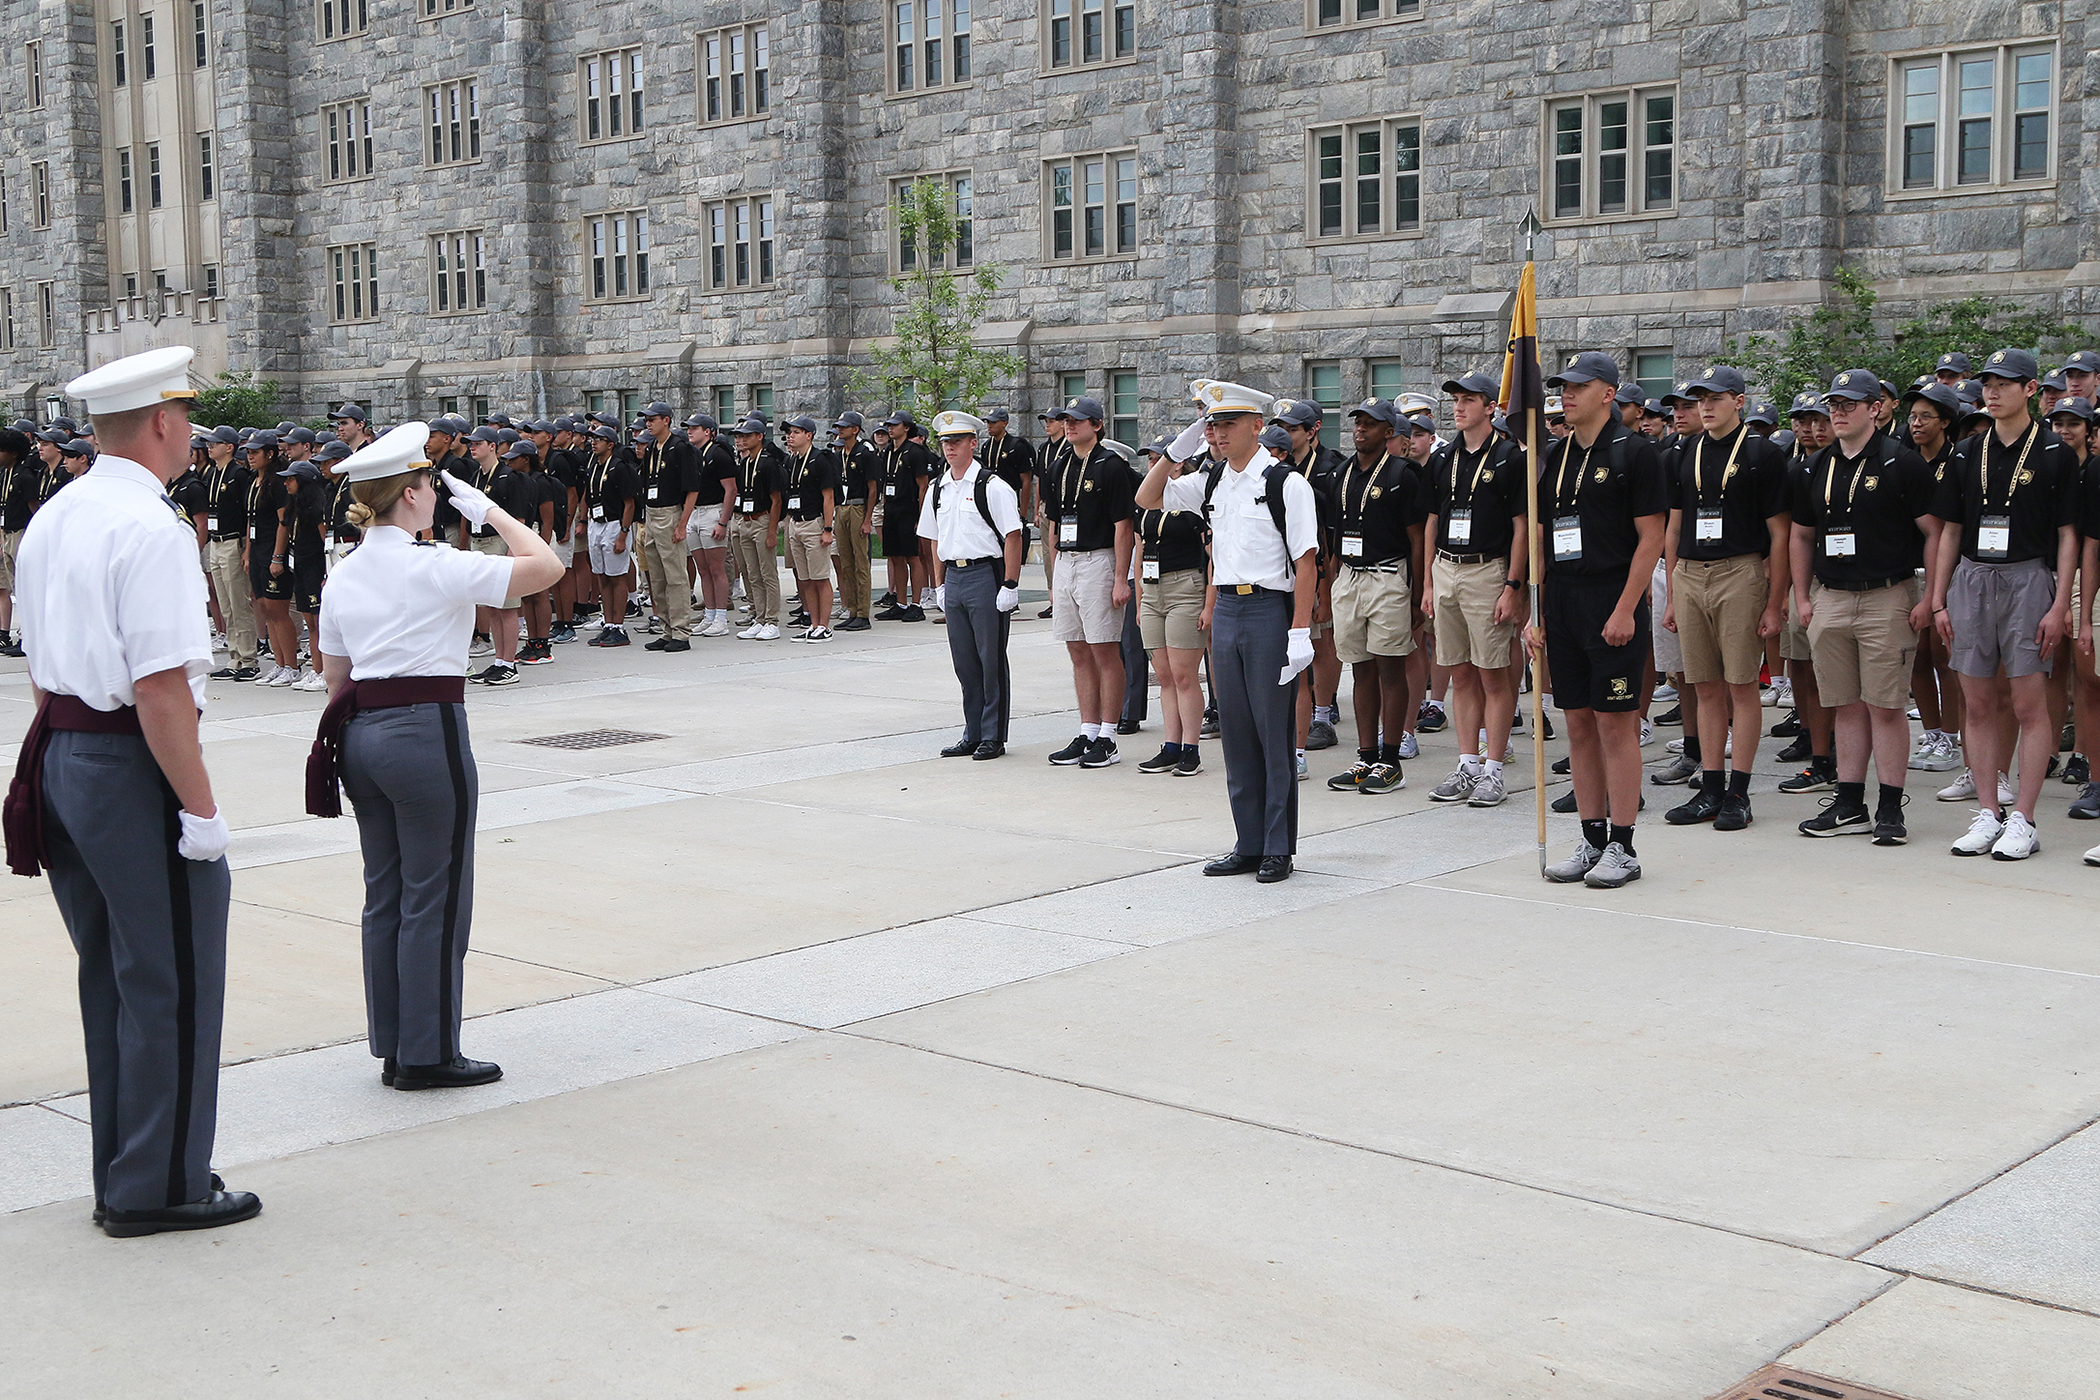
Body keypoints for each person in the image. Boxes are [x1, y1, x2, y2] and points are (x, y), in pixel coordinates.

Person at [5, 345, 258, 1237]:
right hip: (127, 765)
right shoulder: (148, 527)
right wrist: (200, 812)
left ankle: (129, 1164)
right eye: (184, 414)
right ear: (162, 422)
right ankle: (163, 1185)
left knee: (115, 980)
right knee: (175, 981)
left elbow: (37, 665)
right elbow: (159, 690)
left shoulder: (56, 514)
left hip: (64, 750)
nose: (188, 430)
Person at [309, 423, 563, 1092]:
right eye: (428, 482)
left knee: (386, 892)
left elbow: (334, 674)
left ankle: (396, 1041)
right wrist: (491, 512)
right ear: (415, 495)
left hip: (360, 732)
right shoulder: (432, 564)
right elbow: (546, 567)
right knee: (437, 895)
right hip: (425, 731)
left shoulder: (344, 572)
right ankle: (428, 1052)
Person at [1136, 381, 1317, 881]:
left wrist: (1300, 632)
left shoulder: (1285, 482)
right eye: (1210, 424)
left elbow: (1306, 562)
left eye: (1225, 424)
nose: (1216, 433)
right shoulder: (1212, 480)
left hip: (1268, 611)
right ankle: (1249, 841)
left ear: (1257, 426)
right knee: (1236, 731)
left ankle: (1278, 845)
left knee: (1271, 732)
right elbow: (1147, 496)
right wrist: (1179, 448)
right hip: (1228, 614)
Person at [1927, 348, 2080, 860]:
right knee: (1977, 703)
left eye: (2005, 383)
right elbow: (1949, 530)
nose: (1992, 391)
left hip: (2028, 578)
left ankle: (2025, 818)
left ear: (2031, 390)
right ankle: (1988, 811)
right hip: (1971, 578)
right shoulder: (1968, 452)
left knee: (2027, 704)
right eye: (1988, 383)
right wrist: (1941, 598)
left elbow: (2067, 535)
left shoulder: (2055, 454)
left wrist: (2060, 604)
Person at [1538, 352, 1669, 888]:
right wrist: (1537, 612)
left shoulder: (1634, 452)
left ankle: (1624, 844)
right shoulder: (1554, 455)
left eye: (1578, 386)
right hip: (1564, 599)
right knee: (1576, 721)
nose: (1566, 395)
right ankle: (1591, 838)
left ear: (1608, 394)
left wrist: (1624, 609)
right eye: (1563, 387)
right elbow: (1546, 541)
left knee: (1615, 722)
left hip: (1611, 596)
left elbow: (1652, 538)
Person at [1790, 371, 1938, 846]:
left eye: (1850, 404)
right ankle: (1850, 803)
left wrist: (1931, 596)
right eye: (1834, 403)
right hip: (1831, 595)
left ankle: (1891, 808)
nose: (1838, 412)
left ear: (1875, 408)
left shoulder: (1900, 463)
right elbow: (1801, 533)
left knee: (1887, 706)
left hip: (1887, 596)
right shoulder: (1816, 466)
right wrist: (1802, 596)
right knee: (1844, 706)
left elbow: (1935, 532)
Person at [1661, 365, 1790, 833]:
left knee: (1740, 684)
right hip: (1691, 572)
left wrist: (1774, 602)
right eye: (1700, 399)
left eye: (1715, 397)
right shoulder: (1683, 452)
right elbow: (1674, 525)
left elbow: (1780, 534)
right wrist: (1673, 593)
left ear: (1738, 400)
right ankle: (1710, 785)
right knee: (1703, 684)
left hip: (1740, 569)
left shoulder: (1760, 453)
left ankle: (1739, 790)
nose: (1706, 406)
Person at [1421, 374, 1530, 806]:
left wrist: (1513, 587)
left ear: (1491, 407)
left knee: (1493, 674)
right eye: (1456, 400)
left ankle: (1494, 768)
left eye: (1470, 400)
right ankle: (1467, 763)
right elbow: (1432, 519)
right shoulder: (1443, 456)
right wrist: (1428, 579)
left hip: (1488, 569)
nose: (1459, 407)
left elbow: (1522, 526)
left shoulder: (1508, 457)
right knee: (1458, 672)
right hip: (1447, 567)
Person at [1320, 398, 1425, 797]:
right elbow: (1331, 539)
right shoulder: (1341, 473)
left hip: (1387, 575)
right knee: (1359, 667)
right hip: (1349, 575)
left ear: (1389, 432)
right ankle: (1366, 756)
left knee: (1389, 667)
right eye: (1358, 423)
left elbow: (1416, 539)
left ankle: (1391, 759)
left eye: (1371, 424)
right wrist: (1331, 588)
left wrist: (1416, 593)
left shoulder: (1403, 474)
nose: (1361, 429)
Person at [920, 411, 1024, 757]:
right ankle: (973, 731)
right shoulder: (938, 488)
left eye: (957, 441)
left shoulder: (991, 486)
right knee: (964, 662)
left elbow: (1012, 535)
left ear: (972, 444)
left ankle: (993, 735)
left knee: (990, 659)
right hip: (954, 576)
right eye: (945, 442)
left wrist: (1010, 583)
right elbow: (934, 540)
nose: (950, 448)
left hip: (985, 575)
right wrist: (939, 584)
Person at [1043, 396, 1137, 769]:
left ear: (1096, 425)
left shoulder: (1110, 466)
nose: (1070, 426)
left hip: (1099, 559)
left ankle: (1109, 736)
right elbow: (1052, 521)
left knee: (1104, 650)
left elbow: (1123, 525)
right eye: (1067, 420)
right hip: (1067, 559)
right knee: (1077, 650)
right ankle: (1088, 729)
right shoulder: (1059, 464)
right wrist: (1054, 576)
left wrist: (1120, 578)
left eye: (1078, 421)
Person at [1133, 443, 1211, 777]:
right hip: (1153, 591)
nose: (1155, 466)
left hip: (1185, 587)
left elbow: (1213, 557)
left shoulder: (1192, 501)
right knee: (1164, 676)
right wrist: (1140, 599)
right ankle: (1171, 745)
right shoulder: (1148, 505)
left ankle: (1191, 749)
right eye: (1152, 461)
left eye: (1161, 460)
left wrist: (1209, 603)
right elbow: (1140, 553)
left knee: (1183, 674)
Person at [635, 402, 698, 651]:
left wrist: (682, 524)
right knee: (657, 577)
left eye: (653, 419)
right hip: (652, 513)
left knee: (675, 577)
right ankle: (666, 628)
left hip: (671, 512)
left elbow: (692, 489)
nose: (648, 423)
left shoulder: (680, 448)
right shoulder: (651, 448)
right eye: (647, 419)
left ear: (666, 420)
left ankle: (682, 631)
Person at [778, 415, 840, 642]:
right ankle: (813, 623)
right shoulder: (792, 461)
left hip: (814, 522)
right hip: (795, 522)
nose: (790, 436)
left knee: (820, 577)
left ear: (809, 435)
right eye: (789, 432)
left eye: (795, 432)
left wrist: (827, 528)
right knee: (805, 579)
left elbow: (829, 496)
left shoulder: (819, 460)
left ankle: (824, 625)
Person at [583, 424, 641, 647]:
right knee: (601, 576)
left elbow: (629, 503)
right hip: (596, 522)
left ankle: (619, 625)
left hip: (614, 523)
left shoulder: (619, 467)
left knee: (616, 577)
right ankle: (608, 623)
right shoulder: (594, 467)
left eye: (599, 439)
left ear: (610, 443)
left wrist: (623, 534)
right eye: (593, 439)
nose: (594, 442)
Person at [729, 418, 785, 640]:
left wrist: (772, 532)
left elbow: (776, 500)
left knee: (767, 572)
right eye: (739, 436)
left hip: (762, 519)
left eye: (746, 436)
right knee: (752, 573)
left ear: (760, 437)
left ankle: (772, 620)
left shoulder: (768, 463)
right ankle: (759, 617)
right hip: (746, 519)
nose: (741, 440)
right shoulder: (744, 463)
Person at [875, 413, 933, 621]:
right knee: (895, 556)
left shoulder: (914, 452)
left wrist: (920, 516)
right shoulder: (888, 452)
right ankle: (900, 602)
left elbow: (923, 485)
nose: (890, 429)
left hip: (909, 508)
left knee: (912, 556)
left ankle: (916, 603)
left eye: (895, 425)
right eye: (888, 425)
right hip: (891, 507)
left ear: (907, 428)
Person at [830, 411, 879, 631]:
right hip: (842, 507)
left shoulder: (864, 453)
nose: (840, 430)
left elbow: (872, 488)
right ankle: (851, 609)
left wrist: (868, 519)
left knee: (861, 563)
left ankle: (863, 613)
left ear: (855, 429)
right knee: (845, 561)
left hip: (858, 507)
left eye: (845, 427)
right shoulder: (839, 454)